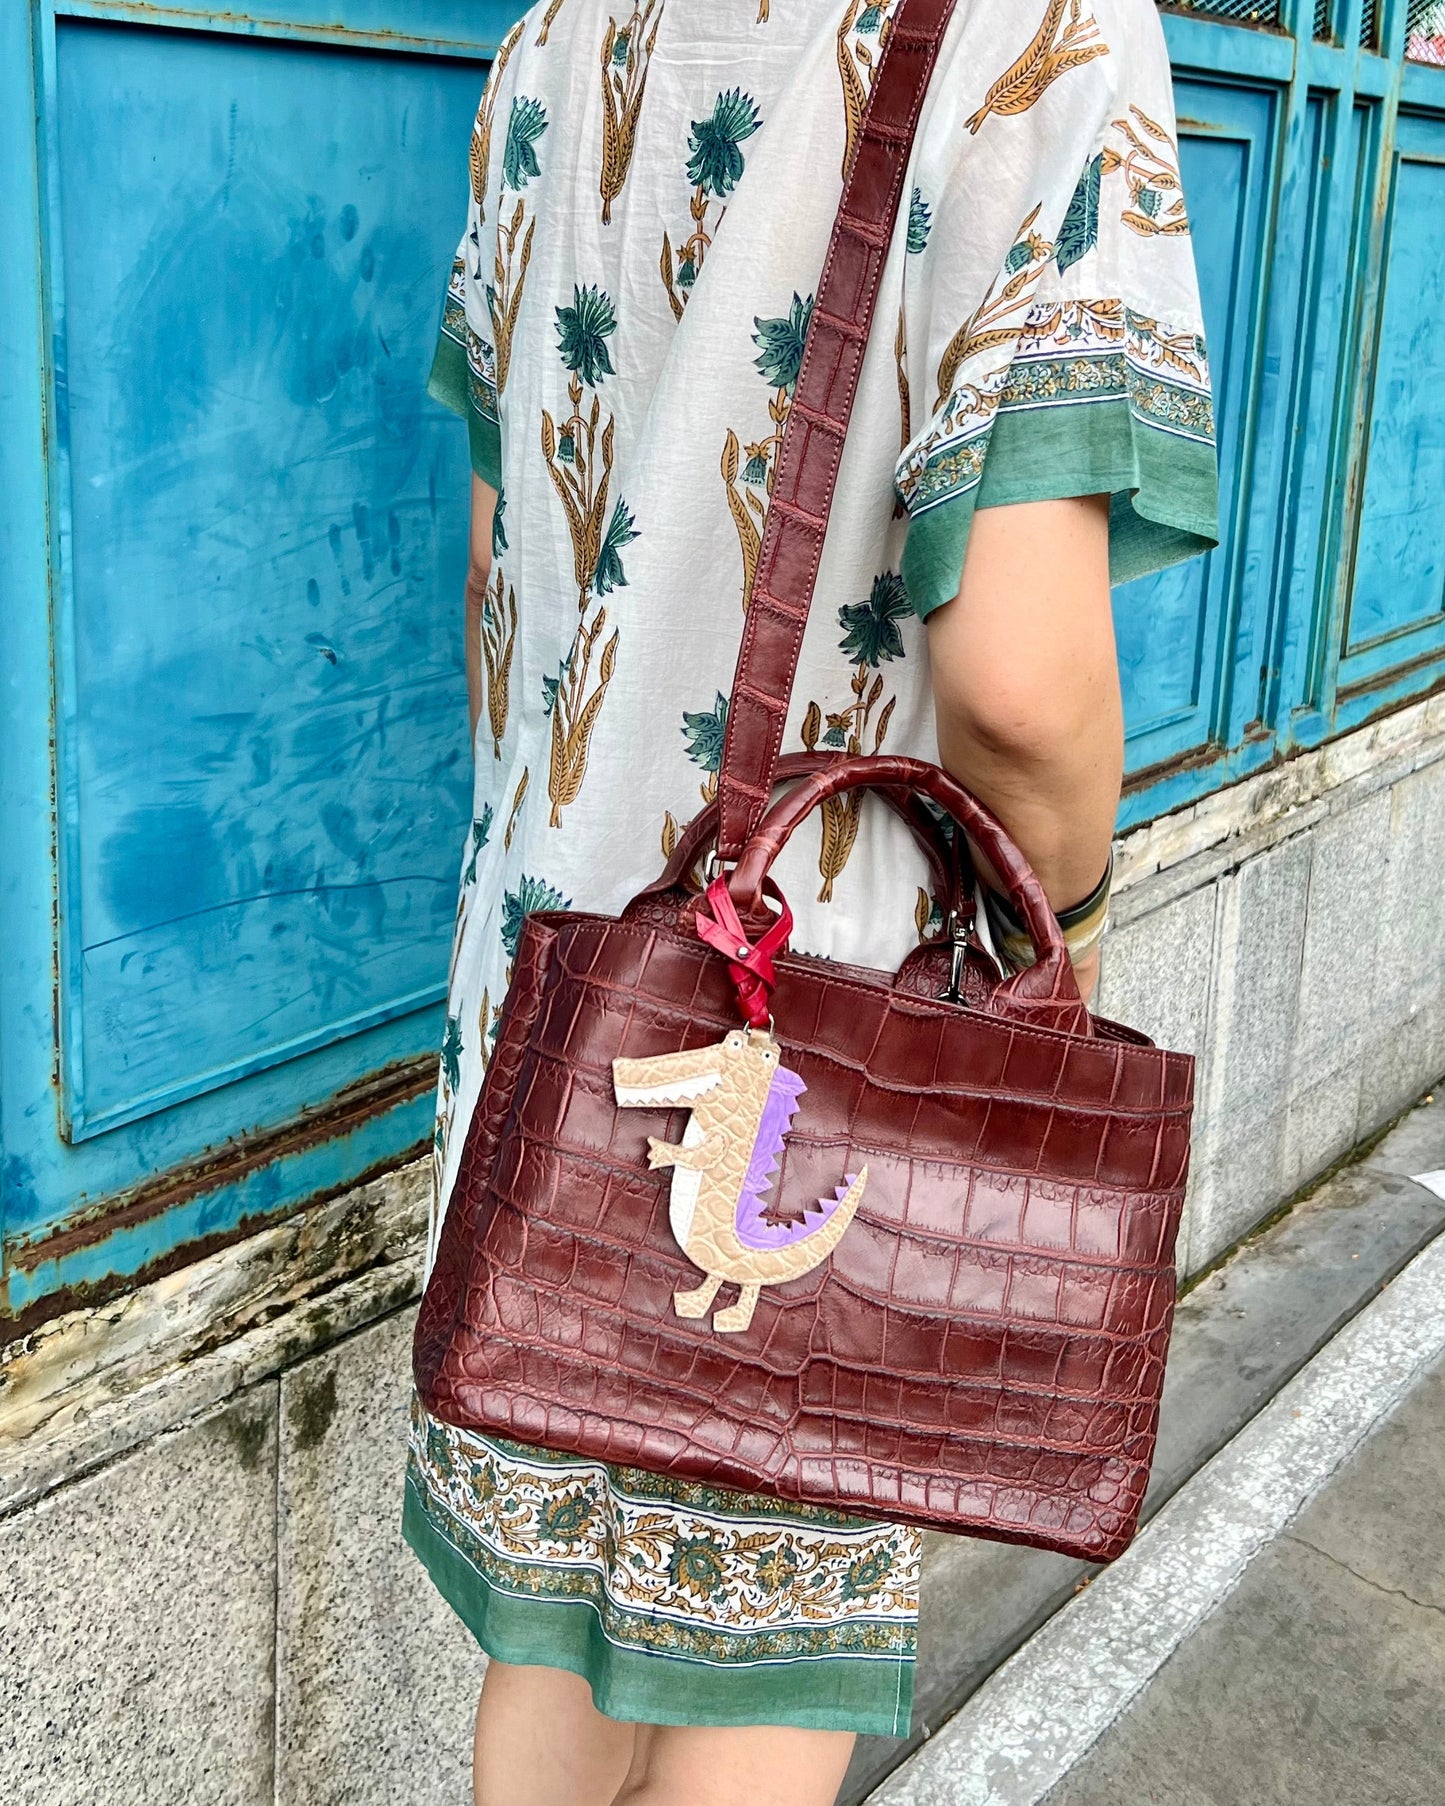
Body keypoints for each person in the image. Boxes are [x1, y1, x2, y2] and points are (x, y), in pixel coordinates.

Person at [404, 2, 1219, 1802]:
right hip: (813, 1066)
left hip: (543, 1037)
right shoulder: (1042, 28)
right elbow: (1019, 685)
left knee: (553, 1654)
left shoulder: (549, 37)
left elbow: (491, 568)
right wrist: (1063, 941)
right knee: (751, 1694)